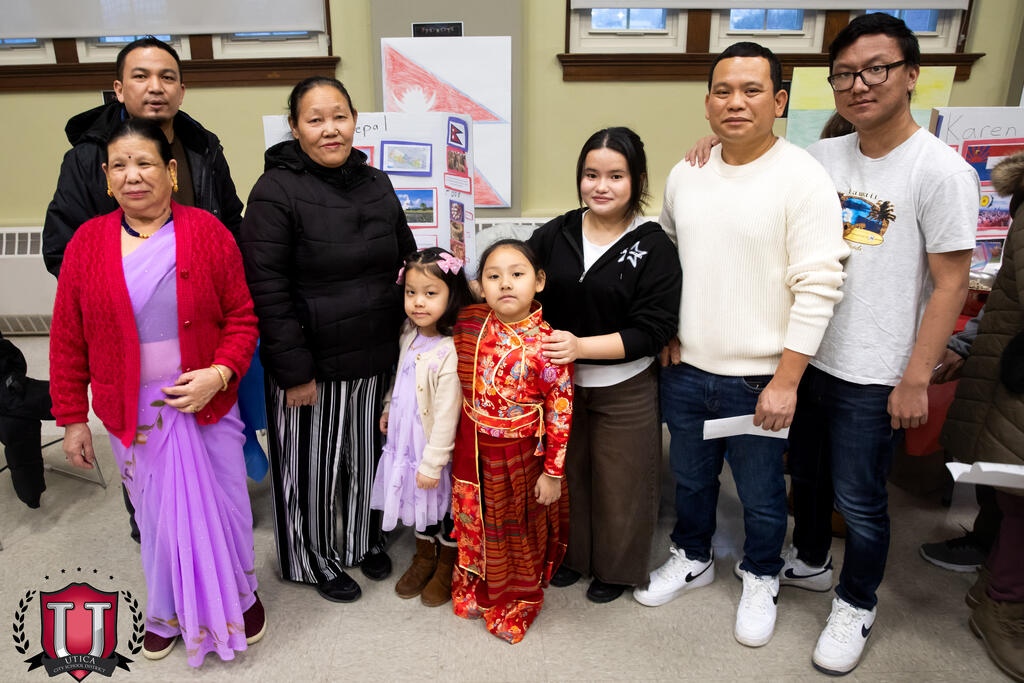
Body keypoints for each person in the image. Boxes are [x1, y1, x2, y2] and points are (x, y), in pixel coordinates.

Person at [632, 42, 848, 653]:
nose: (736, 102)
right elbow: (667, 259)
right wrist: (667, 326)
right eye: (723, 91)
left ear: (778, 102)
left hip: (760, 379)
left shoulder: (803, 177)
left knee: (760, 495)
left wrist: (787, 380)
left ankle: (761, 574)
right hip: (686, 370)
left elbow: (819, 286)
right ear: (707, 104)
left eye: (752, 90)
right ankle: (693, 556)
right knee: (691, 481)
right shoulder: (687, 172)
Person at [48, 118, 263, 665]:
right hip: (134, 412)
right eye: (119, 166)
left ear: (170, 171)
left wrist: (219, 374)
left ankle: (242, 595)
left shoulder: (208, 232)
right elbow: (68, 337)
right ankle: (166, 610)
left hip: (207, 400)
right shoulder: (86, 244)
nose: (133, 175)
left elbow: (242, 317)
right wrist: (72, 419)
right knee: (158, 518)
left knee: (227, 506)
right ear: (106, 177)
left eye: (144, 163)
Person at [239, 76, 417, 603]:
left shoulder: (377, 182)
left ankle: (362, 539)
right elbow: (266, 289)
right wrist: (293, 370)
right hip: (311, 362)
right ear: (294, 127)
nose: (330, 129)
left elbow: (404, 261)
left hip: (374, 352)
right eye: (315, 119)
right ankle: (309, 558)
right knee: (309, 468)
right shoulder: (274, 190)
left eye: (339, 116)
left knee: (365, 457)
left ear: (355, 120)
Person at [526, 127, 681, 603]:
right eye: (591, 174)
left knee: (622, 482)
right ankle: (572, 557)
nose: (601, 186)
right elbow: (519, 271)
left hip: (624, 385)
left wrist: (580, 347)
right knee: (569, 474)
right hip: (561, 385)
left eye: (616, 176)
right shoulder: (558, 232)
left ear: (638, 181)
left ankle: (616, 570)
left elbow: (651, 331)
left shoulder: (654, 246)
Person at [450, 239, 574, 644]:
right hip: (473, 447)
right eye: (493, 276)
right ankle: (477, 581)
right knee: (476, 521)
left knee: (515, 530)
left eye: (517, 274)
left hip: (520, 454)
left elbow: (560, 412)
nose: (505, 283)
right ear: (479, 287)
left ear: (539, 281)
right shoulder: (471, 323)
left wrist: (552, 473)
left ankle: (516, 598)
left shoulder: (550, 344)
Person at [43, 35, 243, 277]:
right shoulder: (89, 157)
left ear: (181, 93)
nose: (156, 87)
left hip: (201, 289)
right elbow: (62, 248)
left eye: (167, 77)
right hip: (118, 293)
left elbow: (231, 226)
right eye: (141, 76)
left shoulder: (204, 149)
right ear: (119, 90)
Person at [941, 150, 1024, 682]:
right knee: (1018, 499)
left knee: (1013, 497)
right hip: (1013, 374)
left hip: (1006, 366)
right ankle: (1003, 605)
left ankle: (995, 587)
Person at [371, 247, 472, 606]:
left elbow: (447, 414)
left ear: (451, 295)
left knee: (441, 505)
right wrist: (389, 407)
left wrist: (433, 463)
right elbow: (399, 378)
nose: (418, 302)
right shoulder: (407, 333)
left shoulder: (450, 349)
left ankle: (446, 563)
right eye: (411, 292)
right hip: (406, 440)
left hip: (432, 448)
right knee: (417, 503)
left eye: (430, 293)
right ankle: (424, 556)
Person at [0, 331, 52, 508]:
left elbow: (10, 358)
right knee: (15, 426)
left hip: (10, 383)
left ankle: (31, 496)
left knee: (69, 398)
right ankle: (31, 495)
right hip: (12, 392)